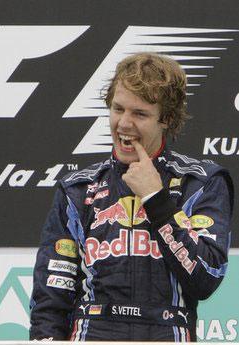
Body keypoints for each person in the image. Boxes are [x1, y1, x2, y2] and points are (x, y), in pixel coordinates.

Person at [29, 52, 234, 342]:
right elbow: (50, 303)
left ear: (167, 119)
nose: (124, 124)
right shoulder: (77, 189)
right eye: (118, 109)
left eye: (139, 114)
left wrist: (156, 198)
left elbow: (205, 279)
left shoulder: (200, 183)